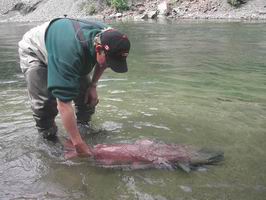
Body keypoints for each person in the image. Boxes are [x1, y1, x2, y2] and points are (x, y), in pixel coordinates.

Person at [18, 17, 130, 157]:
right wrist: (78, 143)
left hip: (69, 46)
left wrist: (93, 85)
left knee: (86, 96)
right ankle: (49, 139)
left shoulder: (110, 38)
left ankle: (84, 127)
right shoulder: (70, 53)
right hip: (36, 50)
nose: (110, 65)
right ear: (98, 49)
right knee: (44, 104)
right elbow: (64, 104)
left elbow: (103, 62)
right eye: (110, 61)